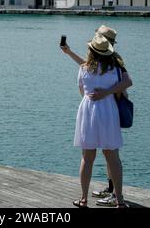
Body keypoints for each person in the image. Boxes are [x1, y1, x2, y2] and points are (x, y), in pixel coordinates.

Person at [61, 25, 130, 206]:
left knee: (87, 157)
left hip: (89, 111)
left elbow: (82, 91)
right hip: (109, 111)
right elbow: (127, 83)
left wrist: (94, 95)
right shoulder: (115, 69)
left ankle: (84, 199)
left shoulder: (84, 69)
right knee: (112, 157)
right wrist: (107, 93)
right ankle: (119, 200)